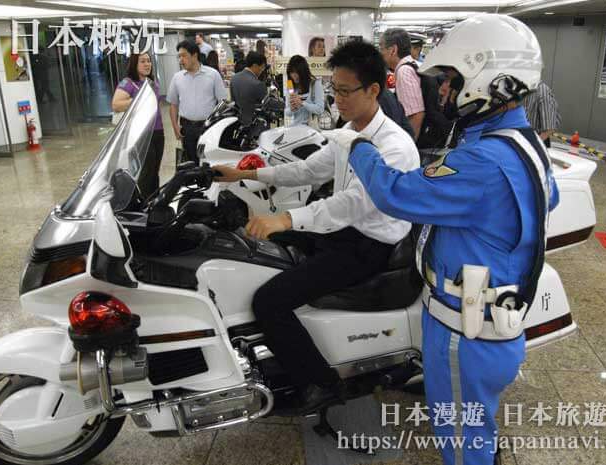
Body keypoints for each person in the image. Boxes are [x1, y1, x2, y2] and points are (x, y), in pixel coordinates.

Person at [324, 14, 559, 465]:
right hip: (491, 323)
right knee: (476, 427)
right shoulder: (521, 142)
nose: (443, 91)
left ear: (490, 79)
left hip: (463, 330)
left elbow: (396, 193)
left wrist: (360, 146)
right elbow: (540, 200)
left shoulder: (485, 161)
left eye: (452, 80)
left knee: (458, 437)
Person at [211, 40, 420, 410]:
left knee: (269, 300)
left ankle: (320, 384)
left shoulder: (395, 146)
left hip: (369, 247)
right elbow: (308, 169)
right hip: (342, 233)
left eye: (344, 91)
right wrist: (246, 173)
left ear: (374, 90)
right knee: (257, 251)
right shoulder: (349, 130)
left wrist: (286, 218)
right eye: (334, 89)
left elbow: (353, 204)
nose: (337, 98)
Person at [111, 52, 164, 199]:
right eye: (142, 61)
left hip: (158, 131)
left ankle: (155, 201)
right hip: (141, 134)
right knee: (146, 173)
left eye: (148, 61)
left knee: (154, 171)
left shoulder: (151, 82)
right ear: (134, 64)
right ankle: (146, 204)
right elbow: (116, 104)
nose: (147, 64)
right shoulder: (128, 83)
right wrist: (139, 99)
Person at [167, 40, 227, 165]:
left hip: (208, 126)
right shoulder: (177, 78)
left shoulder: (213, 75)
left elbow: (223, 103)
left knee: (209, 161)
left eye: (184, 56)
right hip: (187, 128)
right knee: (191, 162)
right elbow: (173, 105)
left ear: (194, 55)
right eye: (179, 56)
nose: (181, 60)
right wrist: (175, 127)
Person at [380, 28, 425, 141]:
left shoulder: (403, 71)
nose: (381, 53)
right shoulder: (414, 64)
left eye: (382, 48)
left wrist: (408, 147)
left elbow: (416, 116)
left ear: (393, 50)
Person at [229, 51, 268, 126]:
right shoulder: (257, 84)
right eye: (262, 67)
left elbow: (233, 101)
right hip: (255, 124)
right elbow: (266, 105)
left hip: (238, 122)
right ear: (255, 65)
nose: (262, 70)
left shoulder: (234, 78)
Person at [285, 55, 324, 127]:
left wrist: (302, 103)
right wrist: (292, 108)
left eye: (296, 72)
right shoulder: (291, 87)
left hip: (311, 130)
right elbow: (287, 112)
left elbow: (320, 109)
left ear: (303, 72)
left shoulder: (315, 84)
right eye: (291, 72)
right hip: (296, 128)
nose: (294, 75)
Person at [523, 80, 561, 148]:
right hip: (527, 139)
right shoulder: (527, 90)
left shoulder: (543, 92)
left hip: (538, 141)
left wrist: (533, 146)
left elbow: (549, 129)